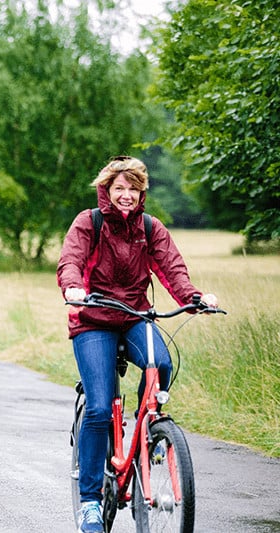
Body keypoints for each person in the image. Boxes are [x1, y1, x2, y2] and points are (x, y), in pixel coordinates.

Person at [56, 156, 218, 533]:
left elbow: (171, 268)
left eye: (133, 189)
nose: (126, 196)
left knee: (161, 366)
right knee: (98, 408)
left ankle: (148, 432)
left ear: (141, 193)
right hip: (93, 317)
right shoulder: (89, 222)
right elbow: (71, 261)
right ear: (107, 191)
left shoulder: (150, 227)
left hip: (134, 316)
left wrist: (192, 298)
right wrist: (73, 288)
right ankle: (91, 503)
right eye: (120, 189)